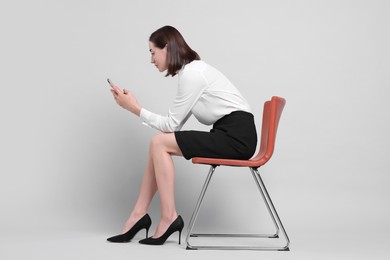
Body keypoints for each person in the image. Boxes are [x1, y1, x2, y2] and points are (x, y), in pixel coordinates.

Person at [106, 25, 257, 246]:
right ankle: (139, 215)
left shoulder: (193, 74)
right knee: (157, 145)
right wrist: (136, 108)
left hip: (236, 138)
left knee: (159, 143)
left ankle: (168, 218)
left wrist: (135, 108)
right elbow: (172, 128)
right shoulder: (193, 72)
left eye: (152, 52)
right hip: (231, 133)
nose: (151, 59)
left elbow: (170, 124)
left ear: (166, 47)